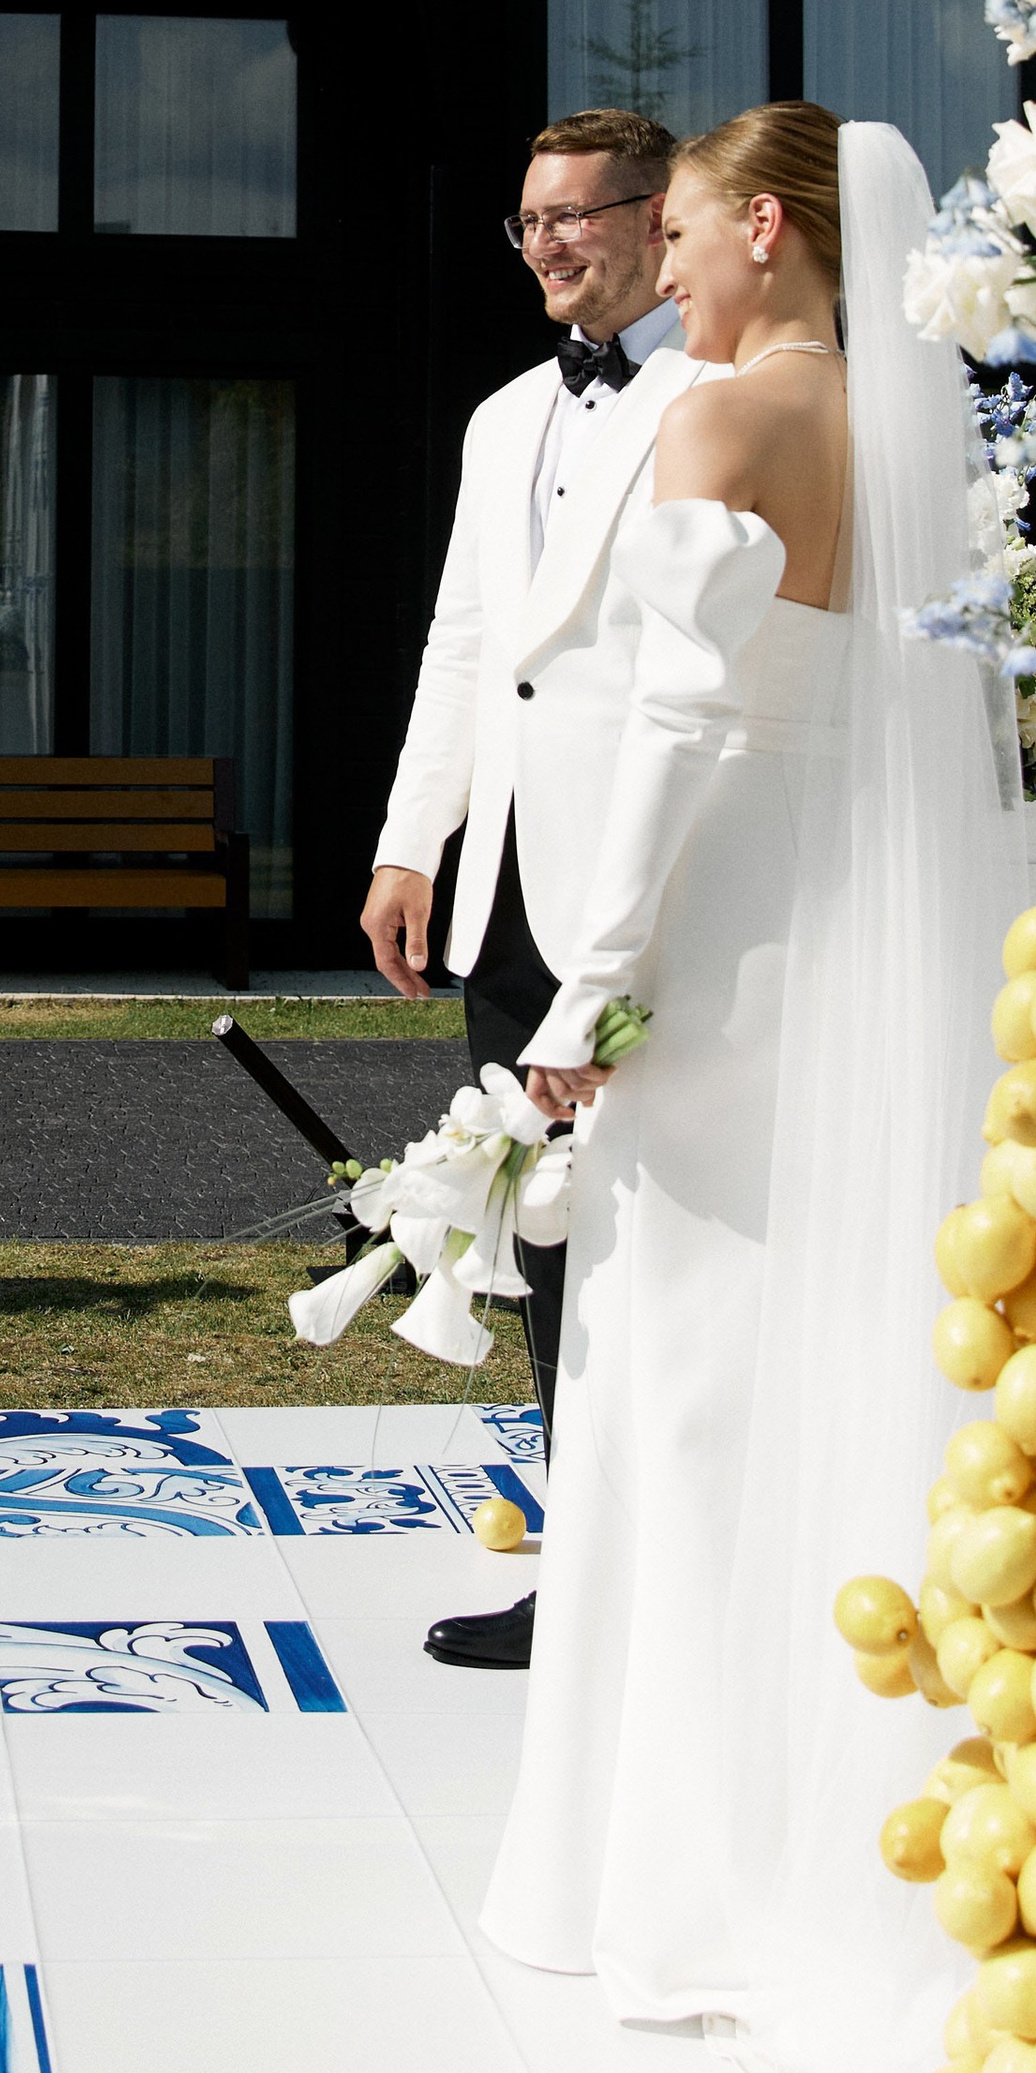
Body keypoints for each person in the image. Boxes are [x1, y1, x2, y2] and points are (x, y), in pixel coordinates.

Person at [477, 107, 1016, 2073]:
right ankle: (842, 1830)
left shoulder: (721, 425)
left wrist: (587, 995)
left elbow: (676, 738)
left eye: (685, 235)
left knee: (680, 1402)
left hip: (709, 962)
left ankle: (678, 1887)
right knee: (817, 1373)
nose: (673, 274)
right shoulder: (900, 437)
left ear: (763, 233)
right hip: (841, 946)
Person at [362, 106, 693, 1634]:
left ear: (656, 219)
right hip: (501, 894)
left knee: (668, 1229)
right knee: (547, 1231)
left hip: (654, 891)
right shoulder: (503, 418)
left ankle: (686, 1572)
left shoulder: (717, 401)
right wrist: (408, 842)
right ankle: (583, 1580)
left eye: (576, 214)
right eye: (530, 220)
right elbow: (466, 640)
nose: (550, 243)